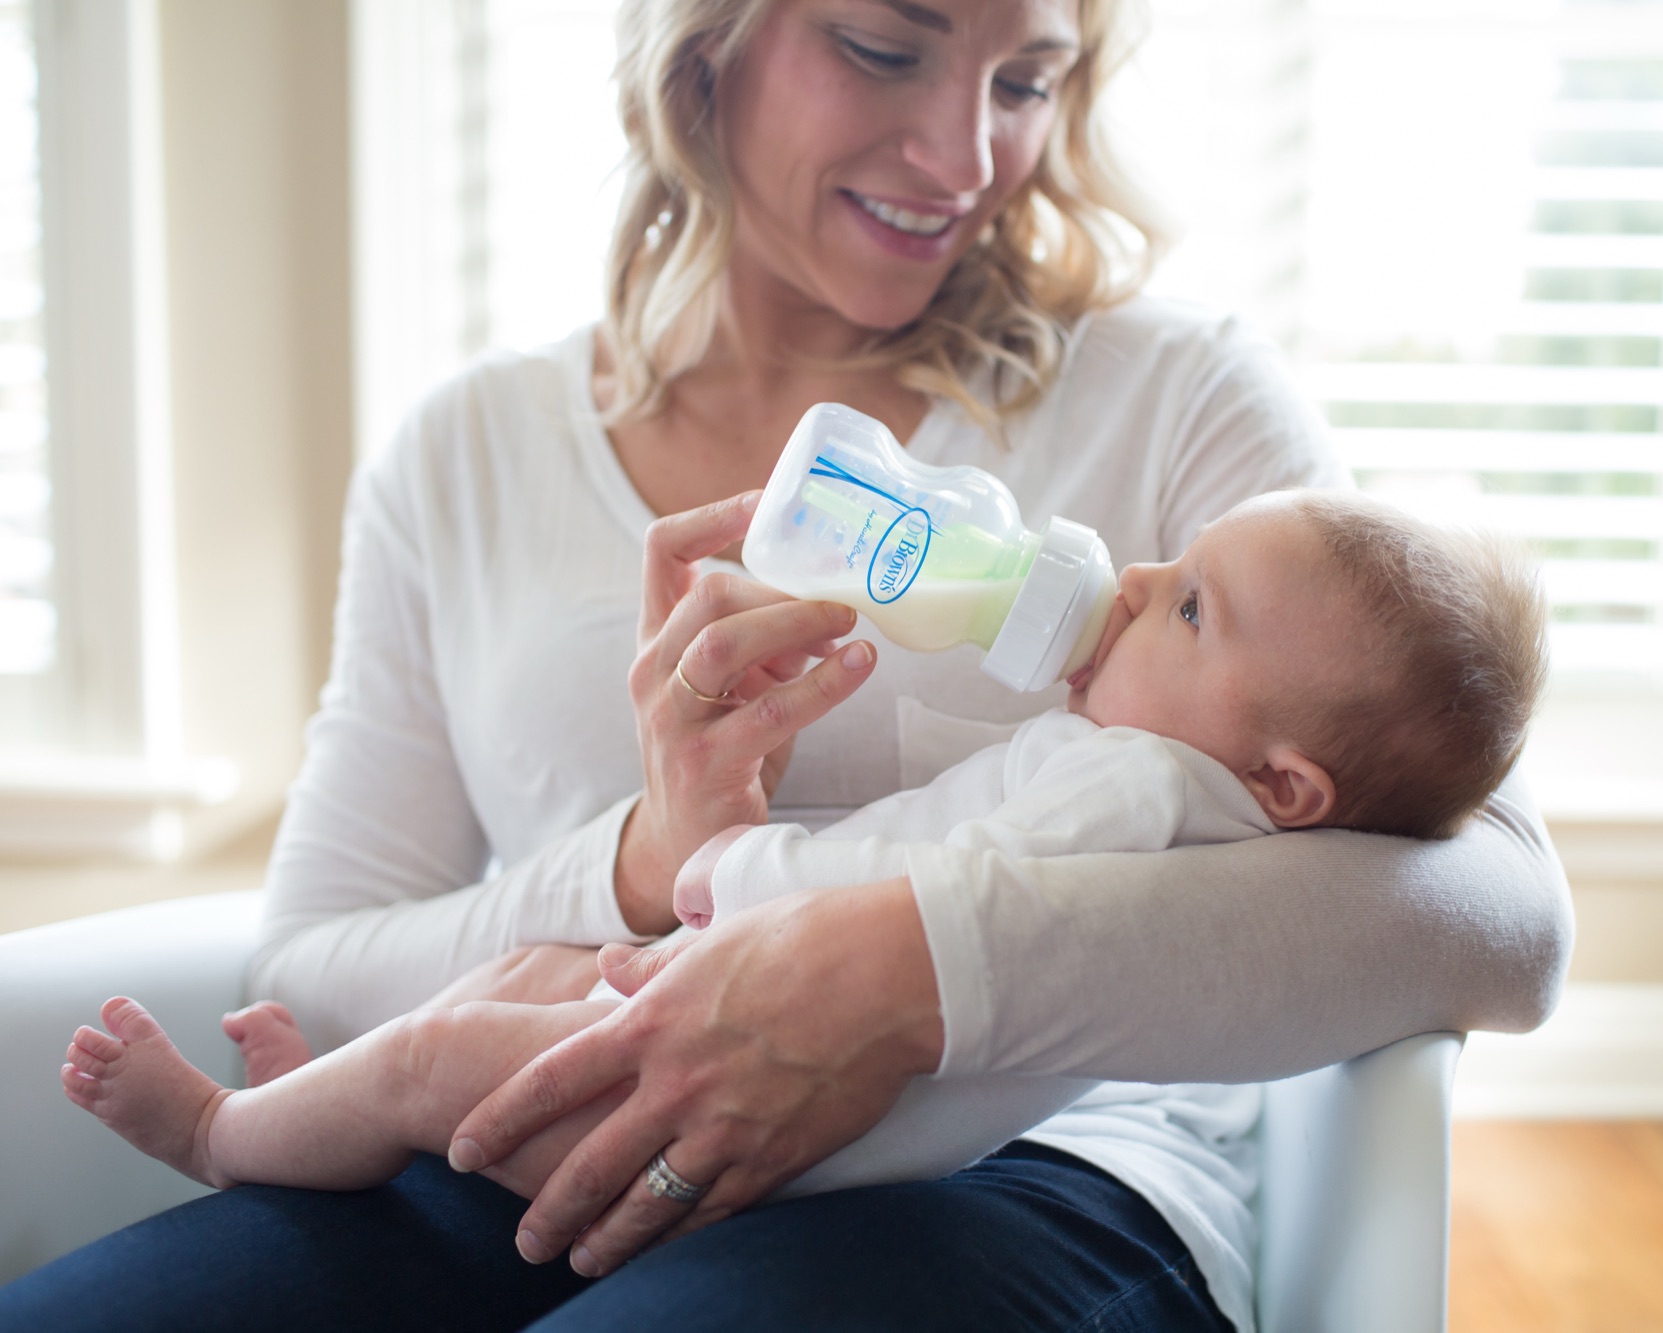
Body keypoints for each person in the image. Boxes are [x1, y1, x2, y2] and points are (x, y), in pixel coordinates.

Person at [0, 1, 1571, 1329]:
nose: (966, 158)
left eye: (1024, 80)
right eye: (886, 45)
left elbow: (1499, 910)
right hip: (554, 1123)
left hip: (1046, 1172)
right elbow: (312, 965)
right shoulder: (467, 455)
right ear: (713, 42)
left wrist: (900, 975)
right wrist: (647, 862)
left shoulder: (1179, 396)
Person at [59, 489, 1548, 1214]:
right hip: (722, 1019)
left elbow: (928, 898)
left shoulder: (1141, 791)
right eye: (881, 44)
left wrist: (736, 869)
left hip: (768, 1126)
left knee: (424, 1061)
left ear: (1288, 780)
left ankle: (220, 1136)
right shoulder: (1153, 769)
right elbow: (928, 853)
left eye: (1194, 610)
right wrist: (661, 850)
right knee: (506, 980)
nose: (1140, 574)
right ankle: (317, 1109)